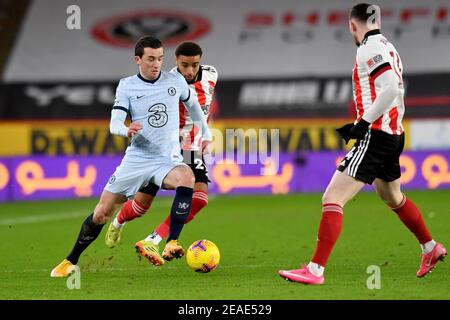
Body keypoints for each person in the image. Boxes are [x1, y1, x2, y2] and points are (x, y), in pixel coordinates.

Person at [278, 3, 446, 285]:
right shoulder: (387, 46)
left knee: (332, 198)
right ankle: (430, 248)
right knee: (392, 197)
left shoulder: (369, 48)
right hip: (393, 134)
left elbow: (391, 87)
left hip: (378, 135)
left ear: (352, 25)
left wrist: (362, 124)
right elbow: (395, 89)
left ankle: (315, 270)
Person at [50, 36, 212, 277]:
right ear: (138, 59)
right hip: (136, 159)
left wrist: (206, 133)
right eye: (150, 59)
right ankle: (70, 260)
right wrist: (126, 129)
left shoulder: (175, 81)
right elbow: (114, 122)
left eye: (159, 59)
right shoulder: (127, 86)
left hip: (166, 159)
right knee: (102, 213)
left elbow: (194, 107)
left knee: (187, 177)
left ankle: (171, 242)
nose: (156, 64)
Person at [104, 42, 218, 266]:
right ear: (175, 62)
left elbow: (202, 108)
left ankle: (154, 239)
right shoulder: (169, 81)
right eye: (184, 65)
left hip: (191, 148)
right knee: (141, 207)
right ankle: (118, 221)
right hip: (164, 149)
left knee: (200, 198)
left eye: (194, 65)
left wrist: (205, 134)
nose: (189, 71)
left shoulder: (212, 74)